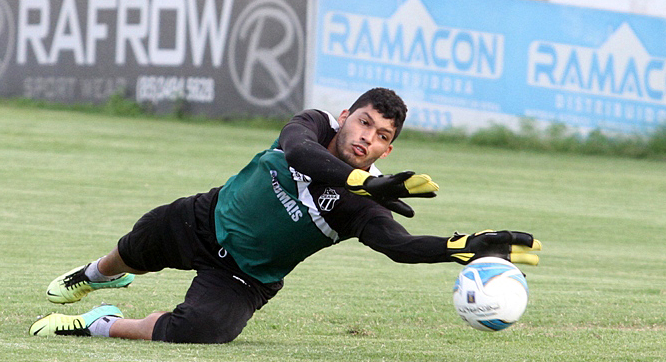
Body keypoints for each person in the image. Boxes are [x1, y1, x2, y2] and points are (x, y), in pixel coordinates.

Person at [29, 88, 541, 342]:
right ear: (345, 116)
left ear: (388, 150)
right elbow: (299, 153)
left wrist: (461, 247)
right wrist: (364, 181)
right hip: (205, 219)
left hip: (245, 276)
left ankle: (98, 323)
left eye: (382, 136)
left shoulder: (363, 205)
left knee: (201, 331)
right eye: (364, 123)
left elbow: (398, 246)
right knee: (137, 245)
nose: (367, 137)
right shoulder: (313, 125)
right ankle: (94, 275)